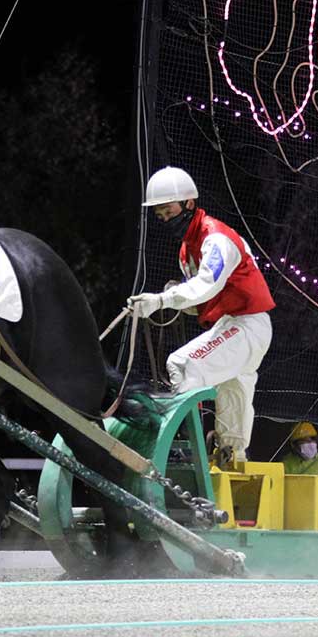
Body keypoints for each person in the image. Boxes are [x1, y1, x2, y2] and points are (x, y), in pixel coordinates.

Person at [127, 166, 275, 462]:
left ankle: (180, 443)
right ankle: (231, 457)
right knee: (233, 395)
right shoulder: (187, 250)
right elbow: (202, 298)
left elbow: (207, 285)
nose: (165, 219)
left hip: (246, 324)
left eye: (168, 211)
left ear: (189, 204)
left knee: (182, 365)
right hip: (234, 325)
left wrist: (162, 299)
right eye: (159, 215)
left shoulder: (215, 237)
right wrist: (171, 297)